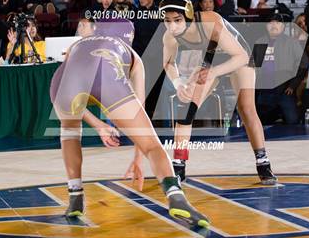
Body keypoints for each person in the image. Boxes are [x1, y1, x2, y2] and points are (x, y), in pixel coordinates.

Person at [50, 17, 209, 227]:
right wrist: (138, 157)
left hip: (61, 87)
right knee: (152, 145)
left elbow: (64, 83)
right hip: (109, 77)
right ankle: (175, 196)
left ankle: (75, 196)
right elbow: (139, 109)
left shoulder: (77, 44)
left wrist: (99, 125)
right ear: (129, 37)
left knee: (69, 131)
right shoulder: (133, 55)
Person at [160, 0, 277, 185]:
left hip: (238, 58)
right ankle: (178, 167)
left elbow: (240, 56)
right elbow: (168, 63)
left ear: (188, 16)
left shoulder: (209, 21)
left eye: (177, 20)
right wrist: (179, 84)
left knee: (247, 110)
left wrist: (213, 72)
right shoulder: (169, 37)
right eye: (167, 21)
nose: (172, 26)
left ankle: (263, 163)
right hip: (209, 62)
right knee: (185, 110)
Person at [255, 14, 306, 125]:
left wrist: (292, 85)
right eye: (271, 23)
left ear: (283, 27)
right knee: (261, 123)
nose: (274, 26)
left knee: (293, 121)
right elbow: (253, 67)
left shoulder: (292, 42)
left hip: (285, 90)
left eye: (277, 23)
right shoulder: (260, 42)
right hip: (265, 90)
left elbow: (303, 65)